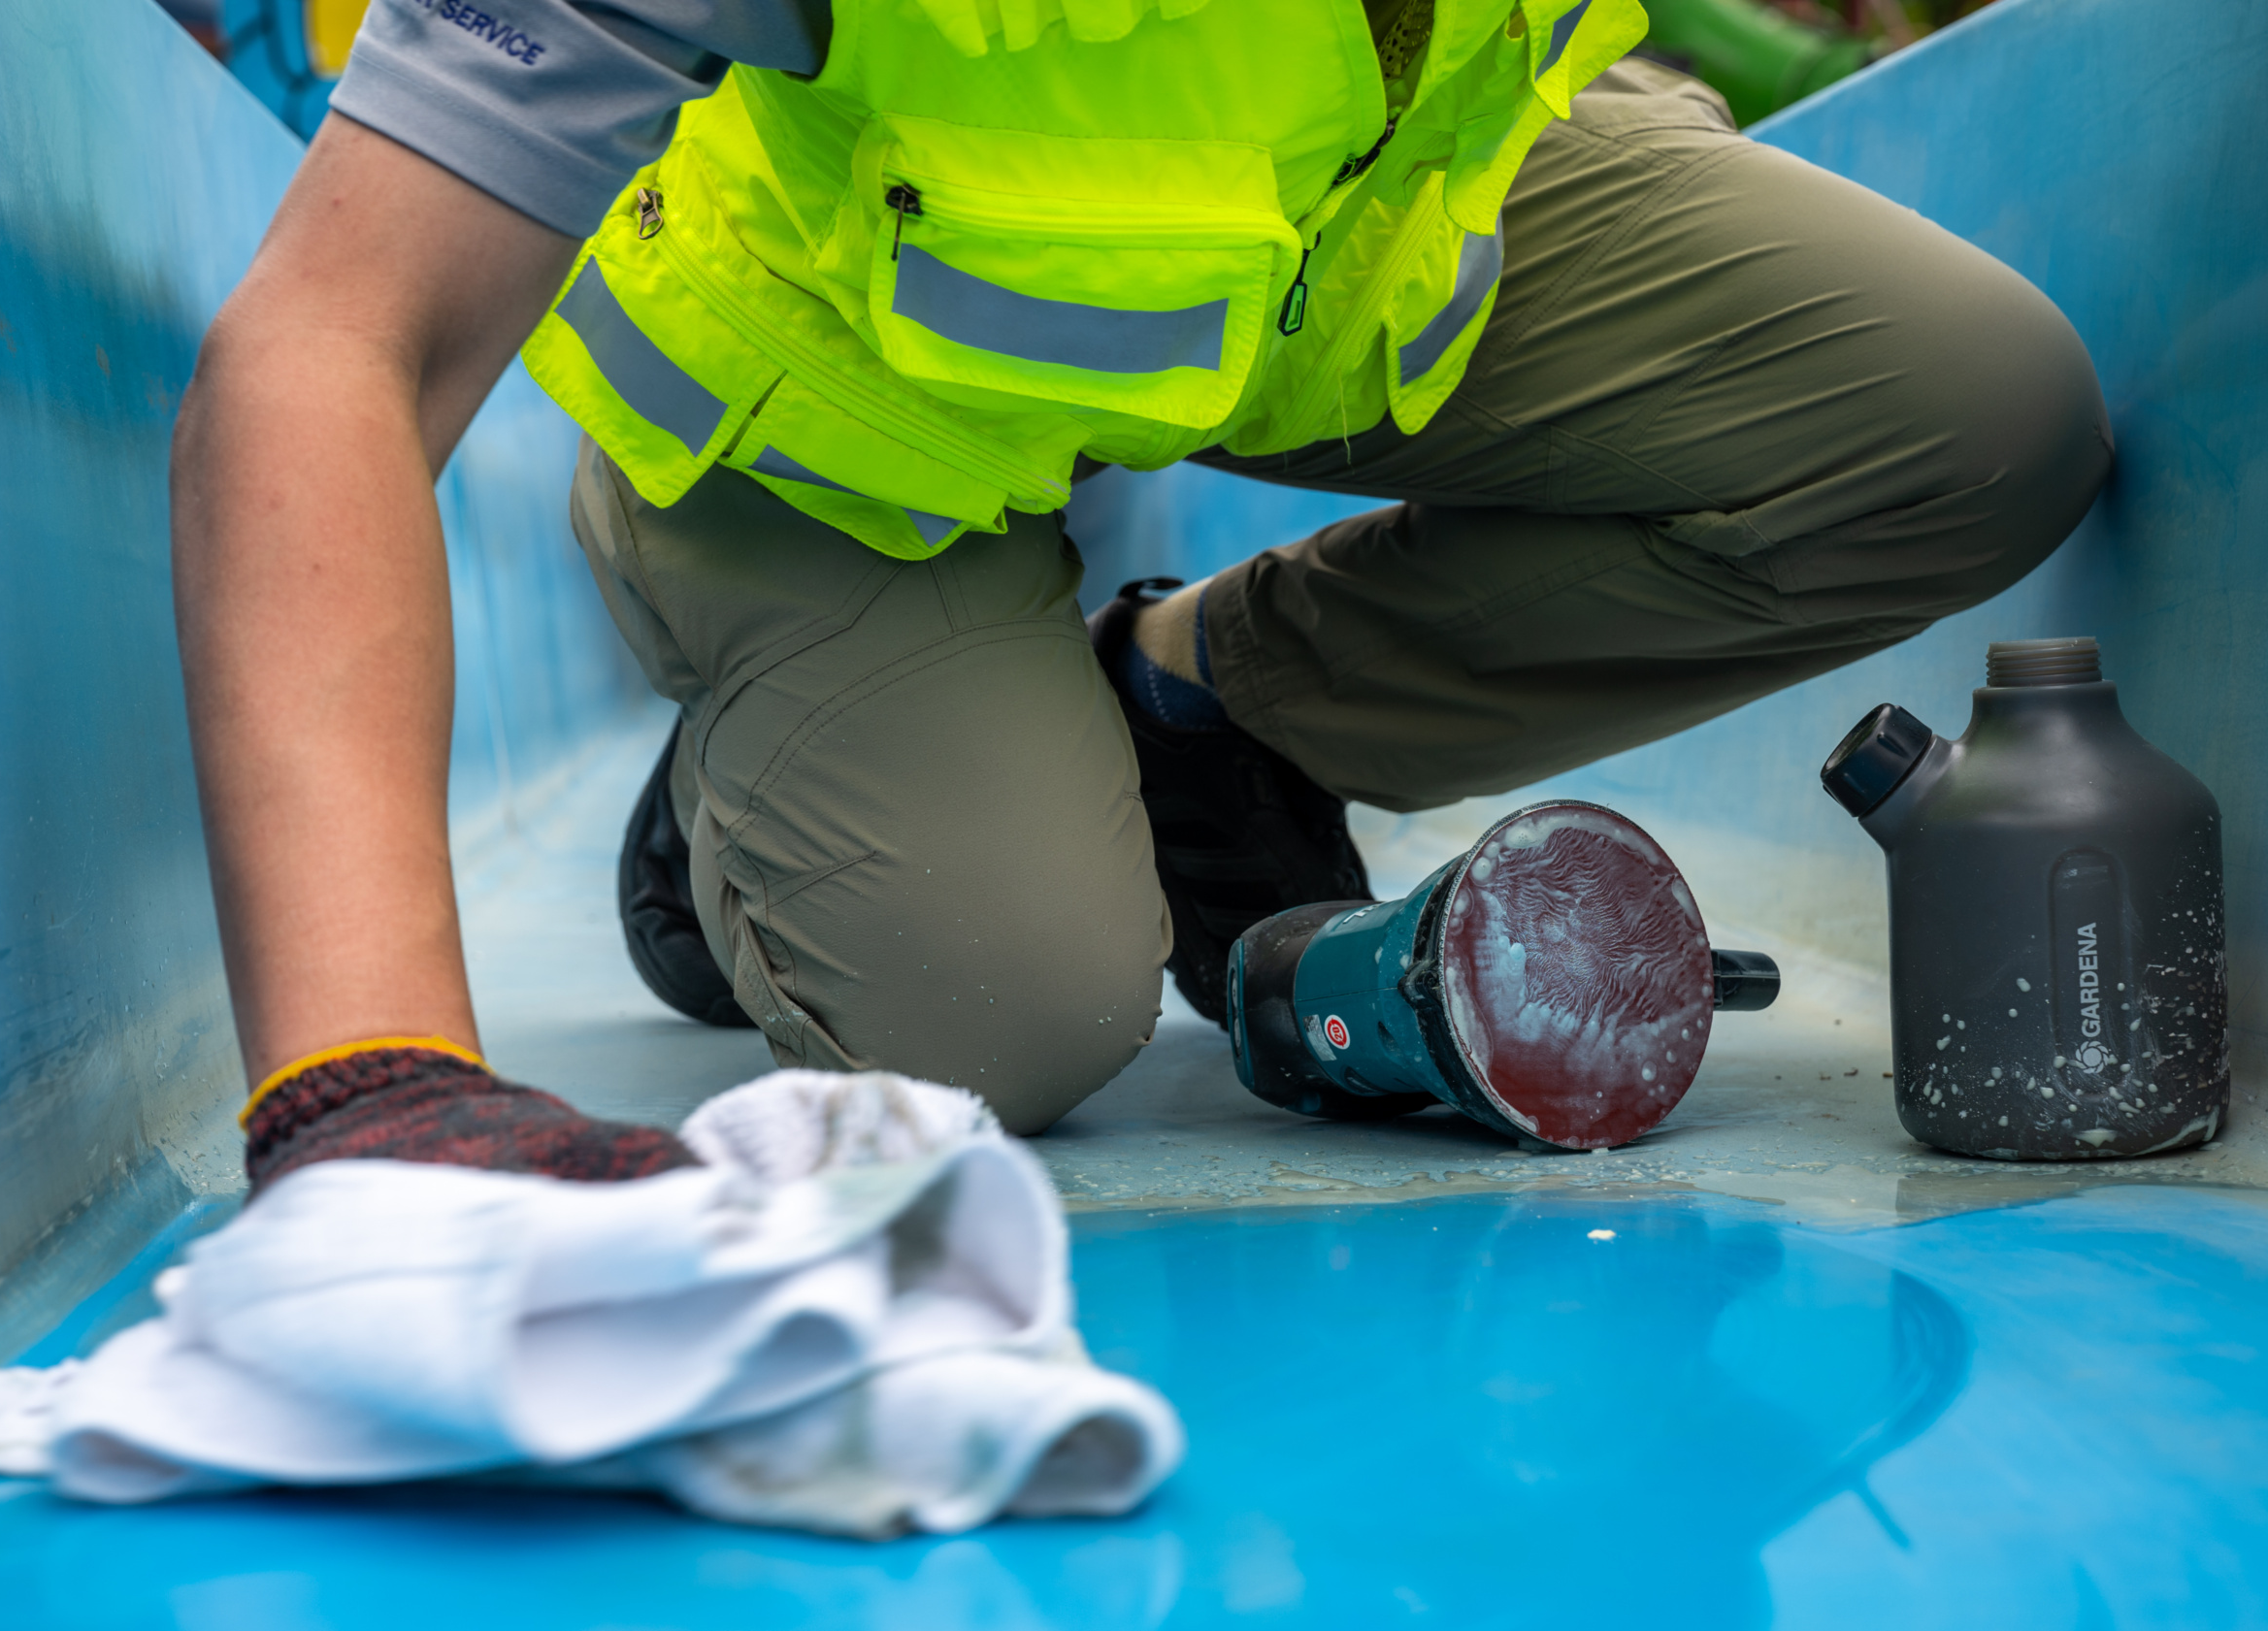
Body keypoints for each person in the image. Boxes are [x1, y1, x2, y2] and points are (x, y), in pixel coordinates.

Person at [174, 0, 2111, 1187]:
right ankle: (739, 796)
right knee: (999, 1024)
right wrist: (374, 1096)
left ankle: (1200, 702)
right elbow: (340, 335)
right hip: (843, 383)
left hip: (1315, 238)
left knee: (1960, 418)